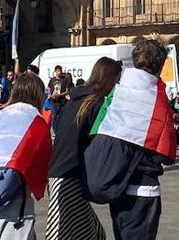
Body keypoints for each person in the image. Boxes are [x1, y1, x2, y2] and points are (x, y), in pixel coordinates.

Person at [85, 39, 177, 240]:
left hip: (117, 185)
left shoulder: (116, 93)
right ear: (160, 66)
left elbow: (97, 130)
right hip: (143, 192)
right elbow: (168, 152)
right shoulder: (157, 98)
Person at [0, 72, 52, 240]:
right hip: (13, 202)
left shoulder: (3, 115)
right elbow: (43, 163)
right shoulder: (37, 120)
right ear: (38, 95)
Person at [46, 57, 119, 240]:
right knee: (63, 233)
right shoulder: (95, 102)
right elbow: (98, 142)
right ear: (109, 79)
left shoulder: (76, 99)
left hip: (61, 172)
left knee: (90, 232)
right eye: (117, 80)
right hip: (68, 175)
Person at [47, 65, 73, 130]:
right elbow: (48, 89)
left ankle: (60, 130)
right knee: (54, 117)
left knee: (62, 117)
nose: (59, 72)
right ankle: (55, 132)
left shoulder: (65, 80)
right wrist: (50, 95)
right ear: (55, 71)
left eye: (60, 71)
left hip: (62, 102)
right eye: (58, 71)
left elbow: (67, 91)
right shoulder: (52, 80)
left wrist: (60, 95)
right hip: (54, 102)